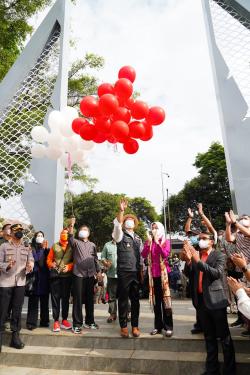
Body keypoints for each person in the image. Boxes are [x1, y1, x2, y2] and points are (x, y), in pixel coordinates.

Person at [181, 232, 236, 375]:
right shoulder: (196, 254)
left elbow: (216, 273)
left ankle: (230, 370)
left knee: (224, 338)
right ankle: (212, 370)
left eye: (204, 239)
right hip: (201, 302)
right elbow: (189, 273)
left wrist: (198, 261)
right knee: (209, 337)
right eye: (199, 239)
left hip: (216, 301)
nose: (200, 241)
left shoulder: (219, 255)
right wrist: (188, 260)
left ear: (211, 241)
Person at [112, 198, 143, 338]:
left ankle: (135, 326)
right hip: (124, 272)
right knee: (123, 300)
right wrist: (121, 211)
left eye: (131, 220)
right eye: (126, 220)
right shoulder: (119, 235)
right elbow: (117, 225)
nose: (129, 221)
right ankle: (123, 326)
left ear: (135, 225)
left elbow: (142, 256)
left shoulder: (138, 239)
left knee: (135, 300)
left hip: (136, 272)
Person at [0, 224, 34, 351]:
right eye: (16, 231)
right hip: (5, 283)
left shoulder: (27, 247)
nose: (19, 232)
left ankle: (15, 338)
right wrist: (7, 265)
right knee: (2, 312)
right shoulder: (4, 246)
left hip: (20, 283)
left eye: (21, 230)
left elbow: (31, 260)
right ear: (11, 232)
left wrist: (30, 266)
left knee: (17, 312)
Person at [68, 218, 101, 334]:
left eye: (85, 230)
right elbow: (70, 238)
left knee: (89, 299)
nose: (84, 231)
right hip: (78, 274)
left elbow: (96, 259)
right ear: (78, 232)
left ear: (89, 233)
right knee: (78, 300)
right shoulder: (75, 242)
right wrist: (71, 225)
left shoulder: (92, 245)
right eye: (82, 229)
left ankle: (89, 321)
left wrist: (98, 271)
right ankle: (77, 324)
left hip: (90, 275)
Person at [141, 222, 173, 337]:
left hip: (163, 274)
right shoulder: (149, 241)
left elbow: (165, 254)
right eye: (152, 228)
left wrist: (157, 241)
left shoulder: (165, 241)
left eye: (156, 228)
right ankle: (158, 327)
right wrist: (148, 243)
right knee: (156, 302)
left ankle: (168, 327)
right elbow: (143, 255)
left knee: (166, 301)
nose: (154, 229)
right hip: (152, 275)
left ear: (161, 229)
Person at [225, 210, 250, 333]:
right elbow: (229, 238)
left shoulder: (247, 231)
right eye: (241, 218)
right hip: (243, 268)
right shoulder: (239, 233)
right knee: (244, 295)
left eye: (246, 218)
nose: (243, 219)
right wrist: (229, 224)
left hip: (247, 268)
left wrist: (236, 222)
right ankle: (246, 323)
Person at [47, 228, 73, 333]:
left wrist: (69, 267)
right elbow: (48, 259)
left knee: (66, 299)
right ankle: (56, 321)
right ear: (60, 234)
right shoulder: (55, 246)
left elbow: (76, 260)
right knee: (55, 299)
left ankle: (65, 320)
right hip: (56, 277)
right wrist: (51, 264)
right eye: (63, 233)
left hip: (67, 277)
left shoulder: (72, 246)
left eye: (66, 233)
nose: (64, 234)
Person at [26, 231, 50, 330]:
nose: (40, 237)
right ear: (35, 237)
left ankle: (44, 321)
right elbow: (37, 260)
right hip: (34, 278)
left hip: (44, 279)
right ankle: (31, 322)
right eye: (38, 236)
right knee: (33, 302)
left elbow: (46, 263)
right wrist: (42, 250)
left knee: (44, 302)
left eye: (41, 236)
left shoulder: (47, 250)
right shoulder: (31, 249)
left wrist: (45, 249)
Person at [101, 239, 118, 323]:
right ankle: (112, 314)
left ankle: (127, 313)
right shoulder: (107, 245)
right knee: (111, 296)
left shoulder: (124, 243)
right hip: (111, 274)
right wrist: (105, 262)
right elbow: (103, 257)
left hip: (123, 274)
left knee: (125, 295)